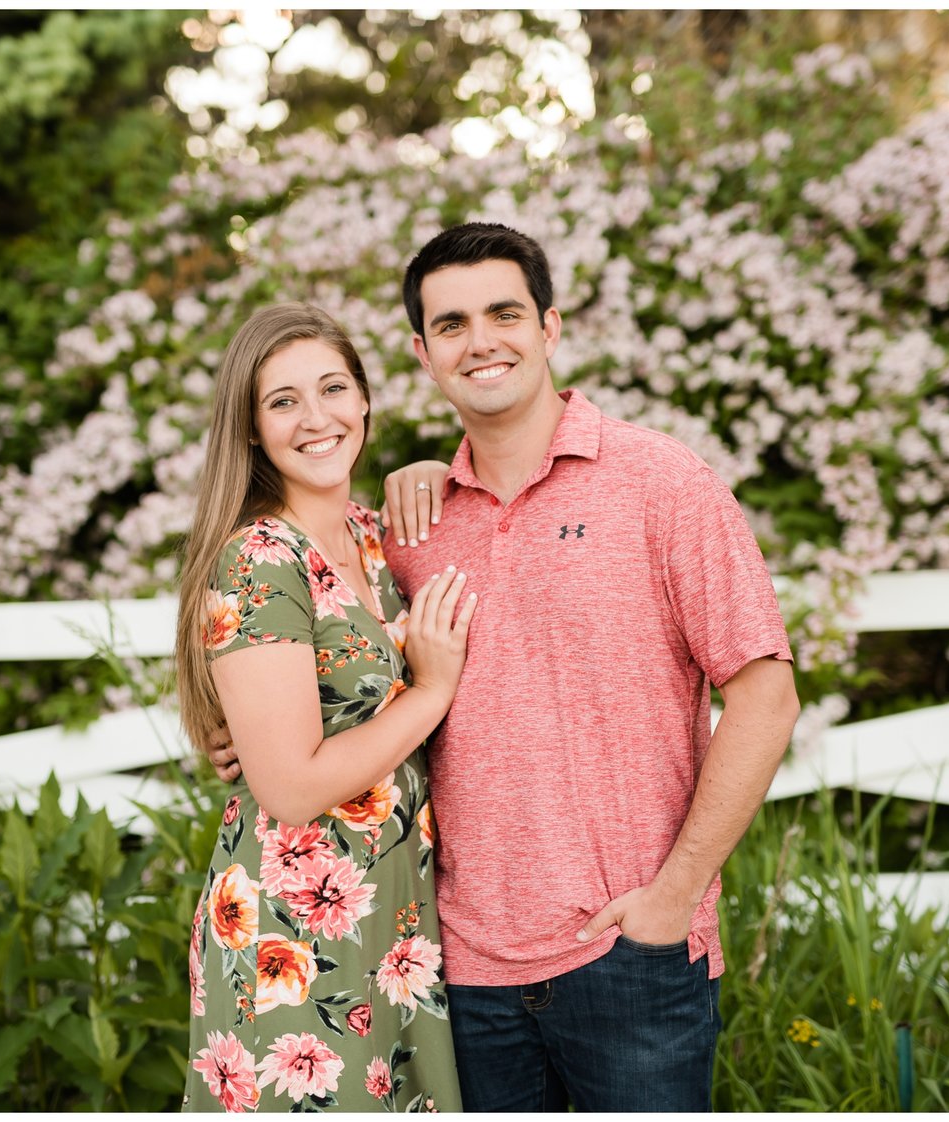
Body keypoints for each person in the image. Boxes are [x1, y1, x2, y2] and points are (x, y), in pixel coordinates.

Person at [210, 223, 802, 1111]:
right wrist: (248, 747)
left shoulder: (663, 484)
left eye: (504, 313)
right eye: (452, 324)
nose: (481, 340)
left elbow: (767, 698)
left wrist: (676, 893)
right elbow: (325, 680)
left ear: (550, 327)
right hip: (458, 970)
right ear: (422, 353)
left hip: (628, 954)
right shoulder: (406, 527)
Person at [174, 303, 479, 1111]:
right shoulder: (259, 560)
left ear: (366, 399)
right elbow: (292, 789)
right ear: (249, 429)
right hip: (294, 939)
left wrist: (424, 469)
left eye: (334, 388)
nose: (317, 418)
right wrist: (433, 690)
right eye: (283, 402)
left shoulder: (373, 538)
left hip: (391, 924)